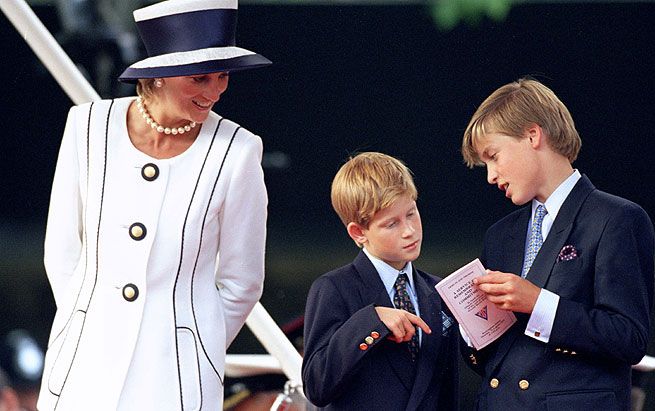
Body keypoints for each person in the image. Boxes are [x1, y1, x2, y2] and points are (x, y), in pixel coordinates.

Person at [37, 0, 271, 409]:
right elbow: (61, 252)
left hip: (177, 380)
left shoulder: (239, 151)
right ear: (159, 75)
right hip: (82, 369)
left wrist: (194, 342)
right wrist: (88, 322)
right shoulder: (87, 126)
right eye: (200, 78)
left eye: (222, 76)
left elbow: (242, 282)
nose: (215, 91)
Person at [461, 78, 655, 410]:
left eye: (493, 156)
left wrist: (538, 303)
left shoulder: (617, 219)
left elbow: (629, 338)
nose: (490, 175)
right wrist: (470, 324)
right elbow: (493, 360)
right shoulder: (499, 235)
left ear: (533, 135)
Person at [302, 152, 460, 410]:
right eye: (391, 224)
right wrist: (371, 322)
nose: (409, 230)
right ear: (358, 232)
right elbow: (317, 386)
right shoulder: (334, 288)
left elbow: (446, 392)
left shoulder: (438, 291)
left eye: (411, 213)